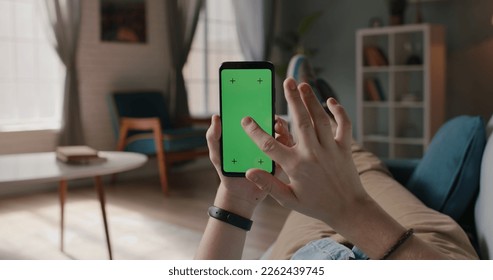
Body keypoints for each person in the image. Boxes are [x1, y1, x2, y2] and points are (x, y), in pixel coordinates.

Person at [195, 78, 478, 260]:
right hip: (416, 248)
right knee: (360, 167)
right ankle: (327, 131)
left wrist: (236, 199)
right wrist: (349, 209)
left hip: (300, 254)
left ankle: (324, 134)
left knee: (348, 167)